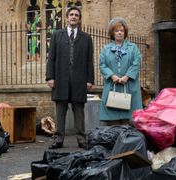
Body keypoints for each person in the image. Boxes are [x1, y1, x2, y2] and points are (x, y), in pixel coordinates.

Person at [46, 6, 94, 149]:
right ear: (66, 18)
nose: (73, 17)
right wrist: (50, 77)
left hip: (79, 79)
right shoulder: (56, 35)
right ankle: (59, 139)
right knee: (60, 110)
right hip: (60, 78)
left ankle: (81, 140)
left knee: (79, 111)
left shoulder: (86, 38)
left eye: (76, 15)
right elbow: (51, 59)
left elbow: (89, 61)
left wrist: (90, 79)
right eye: (71, 15)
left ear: (79, 19)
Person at [99, 17, 142, 126]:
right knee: (113, 118)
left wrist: (127, 76)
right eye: (117, 30)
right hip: (112, 85)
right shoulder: (106, 49)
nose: (119, 33)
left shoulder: (133, 48)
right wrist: (112, 75)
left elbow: (136, 63)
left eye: (122, 30)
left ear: (125, 32)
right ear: (112, 33)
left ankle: (127, 141)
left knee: (128, 119)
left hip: (129, 86)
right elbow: (102, 64)